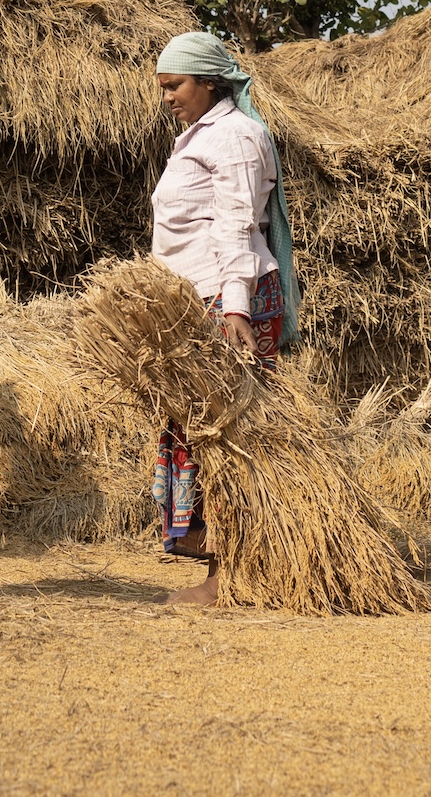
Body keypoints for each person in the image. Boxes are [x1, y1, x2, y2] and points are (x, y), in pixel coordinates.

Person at [150, 30, 300, 607]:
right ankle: (222, 565)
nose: (167, 97)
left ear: (209, 82)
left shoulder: (235, 137)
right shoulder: (205, 135)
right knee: (199, 430)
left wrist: (235, 307)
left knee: (227, 435)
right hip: (203, 300)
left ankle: (228, 577)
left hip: (225, 303)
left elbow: (238, 226)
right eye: (162, 87)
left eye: (175, 85)